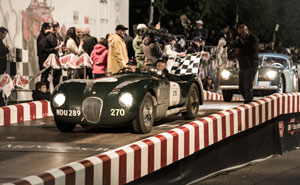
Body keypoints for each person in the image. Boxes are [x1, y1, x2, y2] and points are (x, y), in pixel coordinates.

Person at [232, 24, 259, 104]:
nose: (242, 35)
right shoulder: (239, 39)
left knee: (247, 86)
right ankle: (249, 101)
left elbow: (252, 51)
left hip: (251, 64)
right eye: (240, 33)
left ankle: (248, 103)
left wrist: (241, 50)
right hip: (243, 65)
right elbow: (234, 46)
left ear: (247, 30)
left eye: (243, 33)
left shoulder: (253, 39)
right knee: (241, 87)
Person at [41, 22, 62, 88]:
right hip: (50, 64)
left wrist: (64, 49)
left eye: (56, 27)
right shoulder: (48, 37)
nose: (55, 28)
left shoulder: (60, 37)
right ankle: (46, 95)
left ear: (59, 27)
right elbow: (44, 50)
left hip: (58, 63)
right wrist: (54, 49)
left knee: (57, 81)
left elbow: (62, 50)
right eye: (54, 27)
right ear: (51, 28)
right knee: (47, 81)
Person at [0, 27, 9, 106]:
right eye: (4, 34)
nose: (5, 36)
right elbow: (2, 50)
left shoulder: (1, 42)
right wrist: (7, 49)